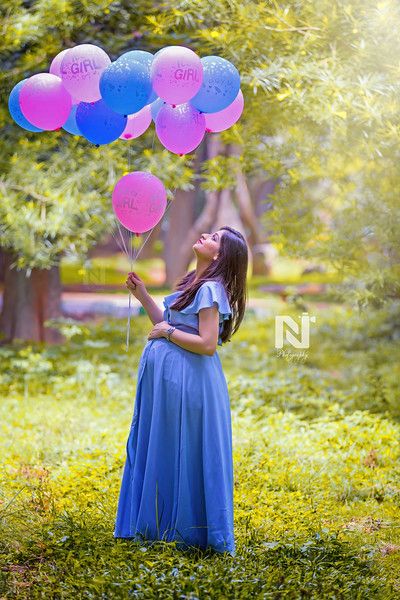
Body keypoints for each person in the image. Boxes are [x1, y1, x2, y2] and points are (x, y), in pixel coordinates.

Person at [113, 225, 248, 556]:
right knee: (169, 446)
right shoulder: (194, 282)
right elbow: (168, 323)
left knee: (185, 449)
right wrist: (144, 295)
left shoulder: (211, 289)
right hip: (173, 383)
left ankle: (190, 530)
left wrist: (167, 333)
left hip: (191, 383)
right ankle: (164, 523)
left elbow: (206, 343)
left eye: (214, 238)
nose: (205, 235)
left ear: (219, 255)